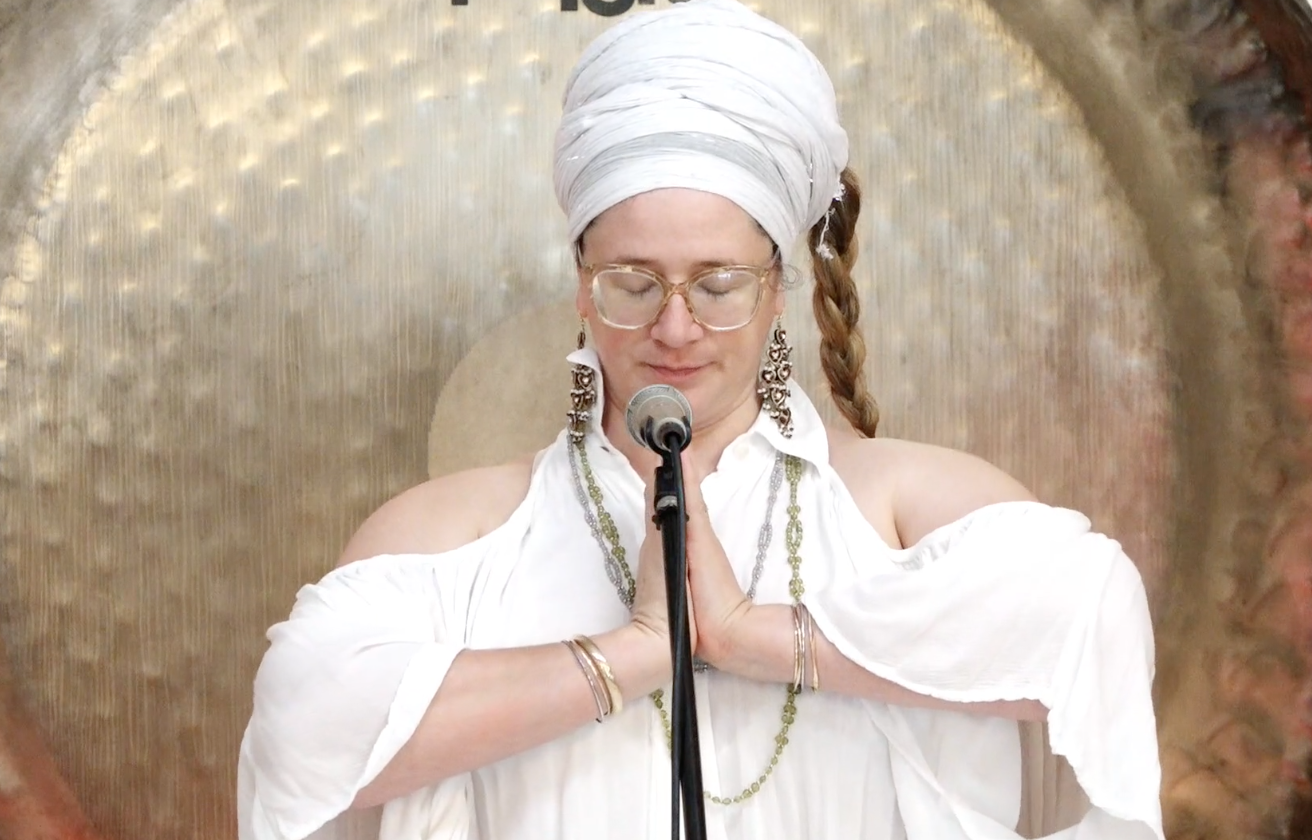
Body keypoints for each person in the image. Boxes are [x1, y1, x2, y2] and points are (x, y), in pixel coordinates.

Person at [237, 1, 1163, 838]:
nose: (675, 329)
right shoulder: (463, 532)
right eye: (633, 283)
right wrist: (635, 652)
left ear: (776, 291)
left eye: (718, 285)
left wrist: (751, 635)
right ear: (582, 288)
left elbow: (1094, 620)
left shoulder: (896, 503)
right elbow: (301, 730)